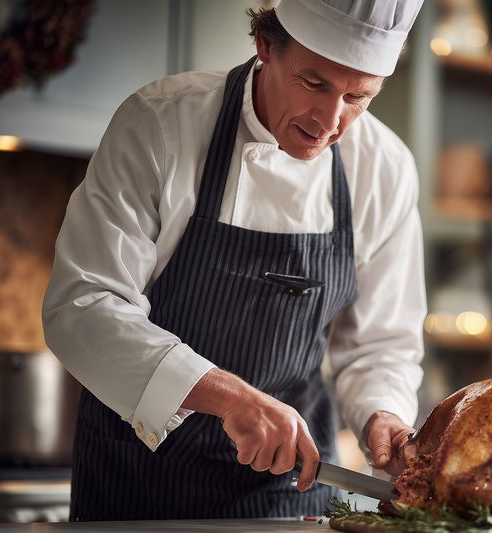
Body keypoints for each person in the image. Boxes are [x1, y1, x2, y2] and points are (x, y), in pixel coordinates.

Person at [42, 0, 426, 521]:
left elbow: (379, 345)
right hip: (135, 484)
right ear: (266, 45)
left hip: (290, 490)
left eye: (358, 97)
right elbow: (84, 307)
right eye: (314, 83)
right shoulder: (160, 124)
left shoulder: (384, 167)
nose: (330, 121)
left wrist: (383, 415)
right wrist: (229, 397)